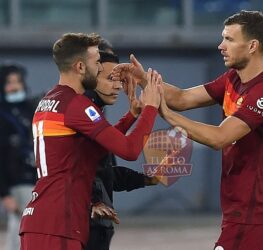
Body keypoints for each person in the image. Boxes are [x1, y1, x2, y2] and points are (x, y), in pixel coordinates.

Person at [114, 10, 263, 250]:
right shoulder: (233, 79)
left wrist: (165, 113)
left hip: (254, 213)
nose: (221, 46)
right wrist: (143, 78)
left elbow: (220, 137)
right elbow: (183, 97)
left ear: (252, 46)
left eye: (229, 39)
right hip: (243, 211)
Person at [19, 32, 162, 250]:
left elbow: (92, 151)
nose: (100, 68)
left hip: (41, 220)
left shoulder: (50, 100)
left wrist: (132, 116)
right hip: (59, 225)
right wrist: (151, 108)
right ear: (80, 67)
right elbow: (130, 150)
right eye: (96, 63)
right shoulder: (77, 104)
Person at [85, 50, 159, 250]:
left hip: (97, 226)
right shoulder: (81, 112)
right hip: (81, 226)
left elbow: (104, 170)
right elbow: (129, 150)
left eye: (119, 78)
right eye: (110, 78)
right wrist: (151, 108)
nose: (118, 85)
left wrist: (146, 179)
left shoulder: (91, 113)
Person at [0, 64, 38, 250]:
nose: (15, 87)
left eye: (17, 82)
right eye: (9, 83)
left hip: (37, 177)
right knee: (20, 232)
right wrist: (4, 193)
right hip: (16, 183)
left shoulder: (30, 110)